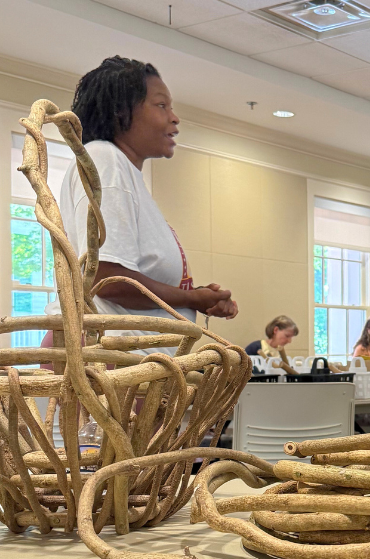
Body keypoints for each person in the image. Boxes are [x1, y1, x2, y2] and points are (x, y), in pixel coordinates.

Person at [50, 56, 237, 357]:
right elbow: (107, 279)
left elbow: (125, 275)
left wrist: (196, 296)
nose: (174, 118)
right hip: (109, 360)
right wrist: (193, 299)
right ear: (120, 111)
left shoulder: (121, 170)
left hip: (124, 359)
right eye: (161, 106)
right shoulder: (105, 159)